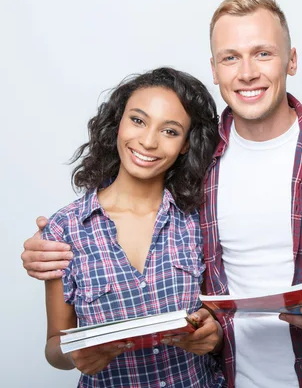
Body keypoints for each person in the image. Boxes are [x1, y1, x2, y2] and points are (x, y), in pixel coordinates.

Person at [22, 0, 302, 387]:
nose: (246, 73)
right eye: (230, 57)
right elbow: (130, 185)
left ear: (291, 60)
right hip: (227, 378)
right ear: (214, 68)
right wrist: (51, 240)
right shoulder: (198, 163)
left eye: (263, 53)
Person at [40, 67, 226, 387]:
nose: (148, 141)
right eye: (137, 120)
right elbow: (55, 346)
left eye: (170, 131)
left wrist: (215, 335)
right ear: (118, 123)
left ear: (185, 144)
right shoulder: (63, 230)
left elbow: (220, 318)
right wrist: (75, 355)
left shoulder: (200, 220)